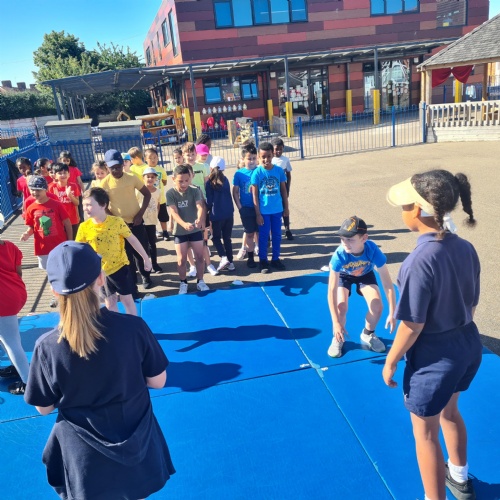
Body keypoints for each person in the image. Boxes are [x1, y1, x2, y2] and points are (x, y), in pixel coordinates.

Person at [24, 241, 175, 499]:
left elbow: (44, 407)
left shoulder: (47, 347)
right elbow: (158, 381)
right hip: (135, 443)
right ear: (101, 278)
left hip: (85, 460)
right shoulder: (133, 329)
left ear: (54, 291)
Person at [383, 170, 481, 500]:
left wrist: (391, 360)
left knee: (425, 433)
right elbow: (472, 302)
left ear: (417, 210)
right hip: (468, 344)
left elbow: (412, 325)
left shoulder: (418, 261)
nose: (403, 211)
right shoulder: (466, 247)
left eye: (405, 205)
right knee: (451, 412)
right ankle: (460, 477)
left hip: (434, 358)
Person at [327, 216, 396, 358]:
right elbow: (331, 290)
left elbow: (388, 284)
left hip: (365, 274)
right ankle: (338, 337)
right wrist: (336, 323)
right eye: (342, 239)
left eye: (350, 239)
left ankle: (368, 333)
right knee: (341, 307)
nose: (345, 243)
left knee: (377, 307)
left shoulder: (372, 250)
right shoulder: (339, 255)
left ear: (364, 238)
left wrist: (392, 311)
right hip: (344, 276)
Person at [76, 187, 152, 315]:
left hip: (120, 268)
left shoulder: (116, 222)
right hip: (100, 273)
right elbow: (79, 249)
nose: (85, 208)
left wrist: (146, 258)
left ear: (103, 205)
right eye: (84, 205)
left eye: (89, 205)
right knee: (110, 302)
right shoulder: (84, 227)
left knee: (127, 299)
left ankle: (133, 323)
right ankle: (117, 324)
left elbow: (133, 240)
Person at [99, 149, 153, 293]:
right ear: (106, 167)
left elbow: (147, 195)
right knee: (126, 257)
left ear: (123, 164)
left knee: (141, 251)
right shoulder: (104, 184)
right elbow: (102, 205)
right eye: (112, 168)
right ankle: (132, 285)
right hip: (118, 227)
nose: (116, 170)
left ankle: (146, 276)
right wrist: (114, 219)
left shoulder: (132, 178)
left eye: (118, 167)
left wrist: (140, 214)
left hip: (136, 223)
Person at [21, 176, 72, 308]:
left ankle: (66, 292)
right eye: (32, 190)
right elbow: (32, 227)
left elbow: (67, 223)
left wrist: (70, 240)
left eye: (38, 190)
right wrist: (27, 234)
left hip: (59, 245)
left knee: (62, 269)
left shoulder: (56, 204)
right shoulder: (31, 208)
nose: (35, 192)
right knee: (51, 272)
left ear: (45, 190)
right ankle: (56, 295)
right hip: (42, 247)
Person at [166, 164, 210, 294]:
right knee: (181, 260)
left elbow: (200, 206)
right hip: (180, 232)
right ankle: (183, 282)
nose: (184, 184)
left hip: (195, 230)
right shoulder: (170, 193)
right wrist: (184, 224)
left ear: (190, 178)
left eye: (187, 180)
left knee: (200, 257)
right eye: (180, 181)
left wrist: (199, 218)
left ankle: (200, 281)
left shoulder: (195, 190)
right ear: (173, 179)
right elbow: (173, 212)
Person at [0, 216, 30, 395]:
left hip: (3, 300)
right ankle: (15, 366)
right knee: (6, 336)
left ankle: (28, 382)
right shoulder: (10, 246)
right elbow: (18, 272)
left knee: (11, 342)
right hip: (16, 293)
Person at [251, 141, 289, 273]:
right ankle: (263, 260)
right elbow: (254, 195)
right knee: (263, 236)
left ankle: (275, 259)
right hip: (264, 212)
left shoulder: (279, 171)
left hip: (277, 210)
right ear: (259, 156)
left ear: (273, 155)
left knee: (277, 235)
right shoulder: (257, 173)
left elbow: (283, 190)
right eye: (263, 157)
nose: (266, 159)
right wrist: (258, 213)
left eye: (268, 156)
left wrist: (286, 207)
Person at [206, 156, 235, 272]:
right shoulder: (225, 180)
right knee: (227, 238)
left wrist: (206, 211)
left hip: (216, 215)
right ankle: (231, 262)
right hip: (229, 213)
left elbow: (209, 201)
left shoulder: (209, 182)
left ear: (210, 168)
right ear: (223, 169)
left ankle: (223, 257)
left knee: (215, 238)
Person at [232, 143, 258, 268]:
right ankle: (250, 257)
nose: (252, 161)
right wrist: (240, 207)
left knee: (260, 233)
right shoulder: (239, 174)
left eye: (254, 158)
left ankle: (262, 256)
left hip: (260, 208)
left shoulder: (260, 171)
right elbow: (235, 192)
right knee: (249, 233)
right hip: (246, 208)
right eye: (249, 158)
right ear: (243, 159)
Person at [137, 167, 163, 273]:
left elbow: (158, 205)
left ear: (156, 179)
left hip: (152, 222)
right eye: (148, 177)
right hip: (141, 222)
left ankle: (155, 264)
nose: (150, 179)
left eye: (153, 177)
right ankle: (144, 265)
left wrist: (155, 217)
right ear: (143, 178)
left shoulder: (158, 191)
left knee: (152, 243)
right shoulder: (138, 191)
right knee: (142, 244)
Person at [47, 162, 81, 238]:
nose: (63, 175)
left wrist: (70, 195)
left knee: (73, 240)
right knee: (62, 241)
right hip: (59, 220)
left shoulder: (73, 186)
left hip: (72, 220)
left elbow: (77, 203)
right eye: (60, 173)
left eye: (65, 173)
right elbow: (50, 206)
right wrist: (55, 198)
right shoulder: (51, 187)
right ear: (55, 175)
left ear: (69, 174)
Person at [144, 147, 170, 241]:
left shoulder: (161, 169)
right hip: (149, 200)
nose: (153, 160)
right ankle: (154, 232)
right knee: (151, 217)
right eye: (150, 158)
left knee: (163, 217)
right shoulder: (144, 169)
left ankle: (165, 232)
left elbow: (164, 181)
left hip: (161, 199)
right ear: (145, 159)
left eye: (155, 157)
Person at [271, 137, 294, 240]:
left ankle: (287, 229)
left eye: (281, 149)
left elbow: (288, 175)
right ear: (272, 149)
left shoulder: (285, 160)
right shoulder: (270, 159)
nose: (279, 151)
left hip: (282, 187)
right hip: (272, 187)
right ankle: (273, 230)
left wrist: (288, 187)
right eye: (276, 149)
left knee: (285, 207)